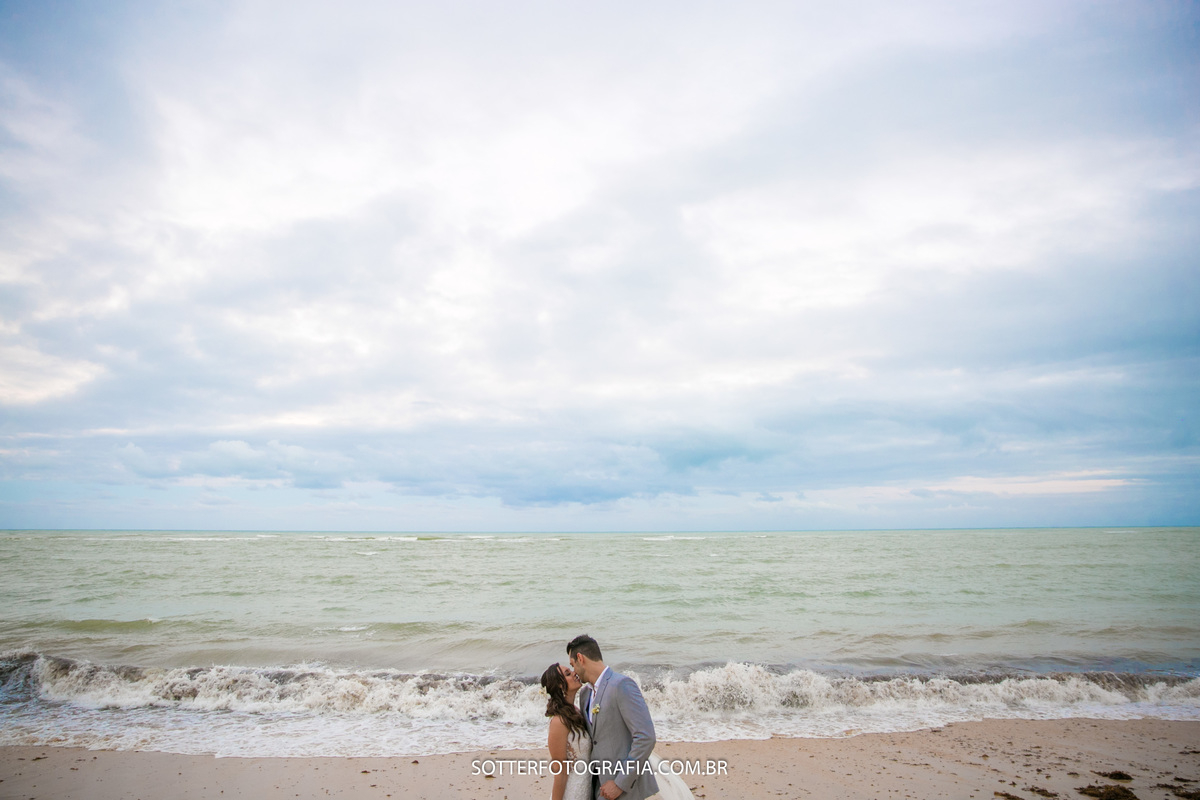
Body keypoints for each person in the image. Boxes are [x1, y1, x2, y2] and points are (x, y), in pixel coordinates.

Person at [541, 661, 594, 800]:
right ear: (560, 685)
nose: (574, 673)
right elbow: (560, 772)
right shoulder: (558, 722)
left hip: (586, 788)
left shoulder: (576, 711)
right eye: (568, 674)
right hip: (572, 793)